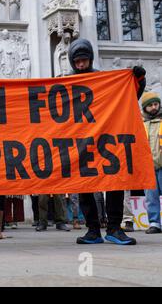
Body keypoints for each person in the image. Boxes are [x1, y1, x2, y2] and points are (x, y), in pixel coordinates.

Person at [68, 38, 146, 245]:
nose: (81, 65)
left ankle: (114, 228)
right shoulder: (66, 84)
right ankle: (92, 230)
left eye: (84, 61)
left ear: (90, 59)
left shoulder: (105, 80)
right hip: (81, 143)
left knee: (114, 183)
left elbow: (127, 97)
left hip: (107, 141)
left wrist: (139, 80)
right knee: (83, 186)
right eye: (77, 62)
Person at [141, 92, 162, 234]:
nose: (154, 107)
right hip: (147, 167)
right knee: (151, 197)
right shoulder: (140, 124)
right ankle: (154, 223)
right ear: (145, 108)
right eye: (150, 105)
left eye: (156, 104)